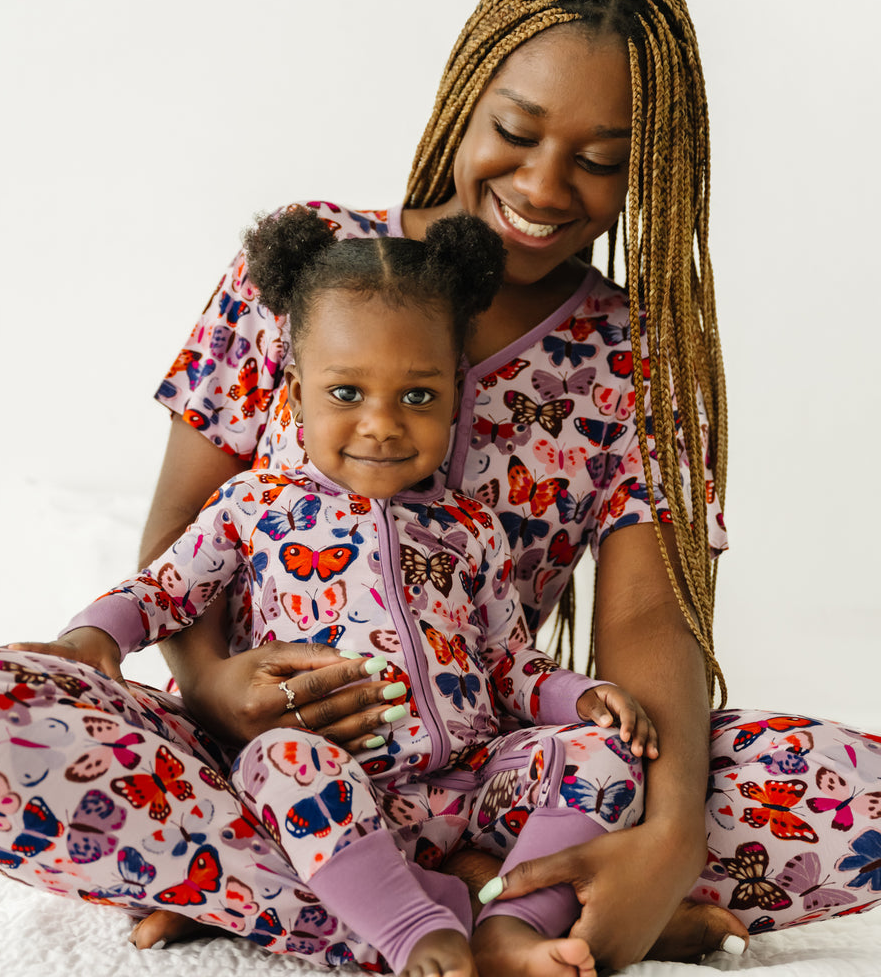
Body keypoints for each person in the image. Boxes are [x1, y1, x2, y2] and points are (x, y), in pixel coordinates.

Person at [0, 0, 880, 973]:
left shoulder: (637, 355)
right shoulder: (307, 265)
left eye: (599, 161)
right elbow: (181, 547)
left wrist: (664, 837)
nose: (541, 186)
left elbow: (644, 627)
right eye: (516, 131)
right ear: (465, 92)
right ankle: (475, 927)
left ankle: (297, 898)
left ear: (647, 171)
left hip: (495, 765)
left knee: (856, 792)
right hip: (271, 768)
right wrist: (216, 688)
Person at [55, 206, 657, 977]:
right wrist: (91, 638)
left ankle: (512, 920)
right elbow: (162, 589)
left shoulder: (470, 527)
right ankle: (413, 928)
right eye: (346, 393)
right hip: (335, 796)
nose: (381, 425)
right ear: (299, 390)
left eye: (417, 397)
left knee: (606, 757)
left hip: (468, 786)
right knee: (277, 761)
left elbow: (509, 664)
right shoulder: (256, 507)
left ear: (455, 392)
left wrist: (583, 699)